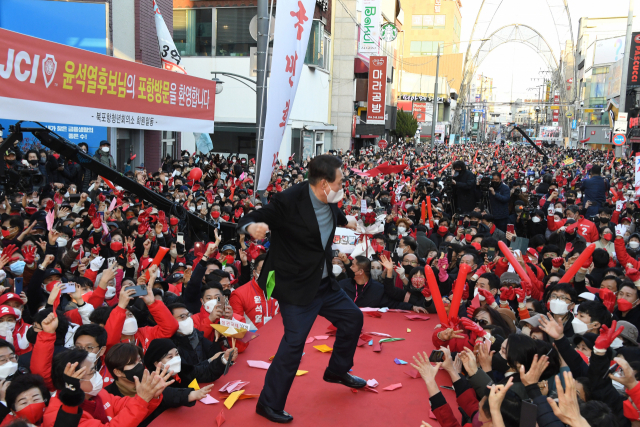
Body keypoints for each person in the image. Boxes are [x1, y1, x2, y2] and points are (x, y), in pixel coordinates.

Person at [238, 154, 363, 423]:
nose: (343, 186)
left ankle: (337, 371)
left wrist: (345, 220)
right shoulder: (288, 201)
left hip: (325, 283)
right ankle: (268, 404)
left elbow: (330, 213)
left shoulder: (330, 199)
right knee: (294, 345)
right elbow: (255, 215)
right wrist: (252, 227)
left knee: (353, 318)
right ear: (323, 184)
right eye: (340, 182)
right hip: (296, 288)